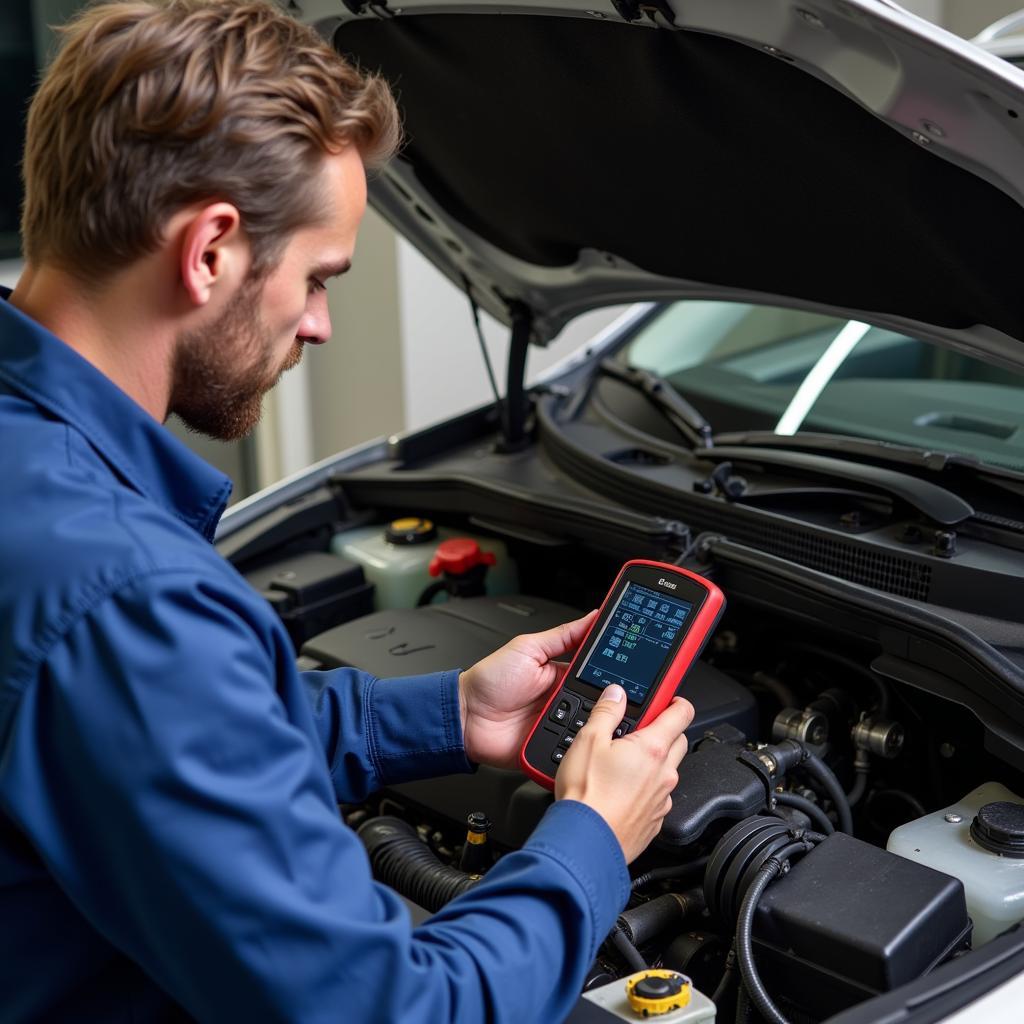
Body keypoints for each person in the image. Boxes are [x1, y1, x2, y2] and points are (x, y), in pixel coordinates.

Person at [0, 2, 695, 1021]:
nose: (319, 326)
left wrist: (444, 714)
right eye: (319, 279)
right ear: (210, 251)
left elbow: (145, 744)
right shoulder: (126, 596)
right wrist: (588, 838)